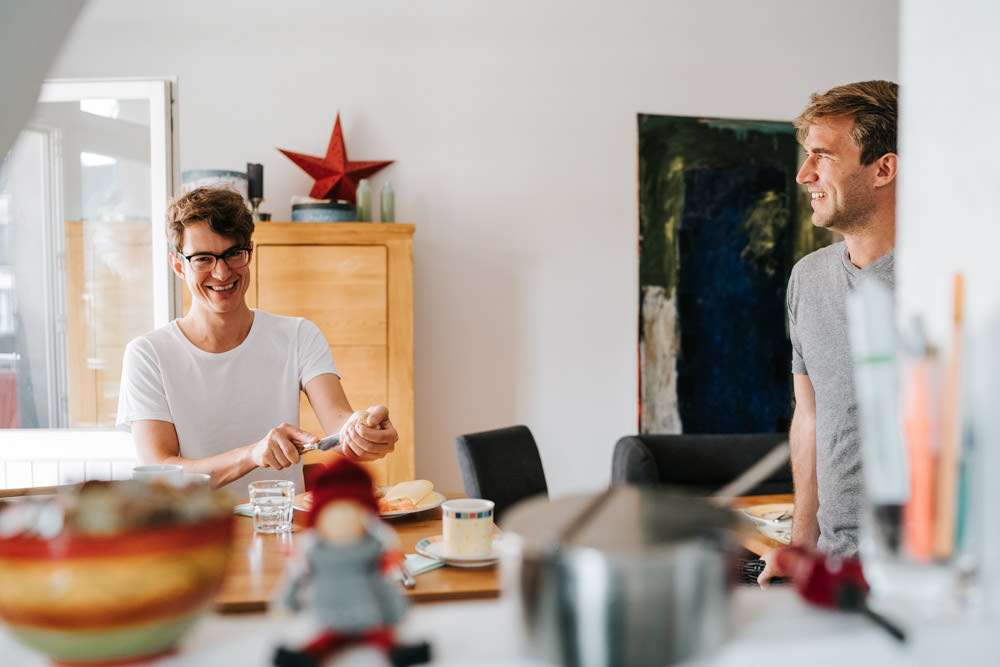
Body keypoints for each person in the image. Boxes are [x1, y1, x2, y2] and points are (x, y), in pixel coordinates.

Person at [116, 186, 398, 492]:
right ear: (178, 266)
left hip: (282, 530)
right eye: (203, 259)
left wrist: (364, 429)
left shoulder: (299, 335)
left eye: (233, 253)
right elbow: (160, 475)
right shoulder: (148, 354)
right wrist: (252, 454)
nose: (222, 273)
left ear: (250, 251)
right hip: (198, 534)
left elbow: (340, 428)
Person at [759, 80, 898, 584]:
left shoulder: (950, 282)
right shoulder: (808, 277)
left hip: (924, 574)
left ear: (883, 167)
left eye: (822, 155)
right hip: (836, 565)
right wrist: (800, 549)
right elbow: (811, 417)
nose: (803, 174)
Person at [272, 458, 429, 667]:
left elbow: (384, 584)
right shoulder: (313, 552)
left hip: (368, 612)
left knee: (377, 633)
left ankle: (397, 650)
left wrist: (395, 607)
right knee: (326, 637)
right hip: (332, 614)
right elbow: (296, 578)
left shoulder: (374, 551)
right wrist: (288, 600)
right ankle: (308, 654)